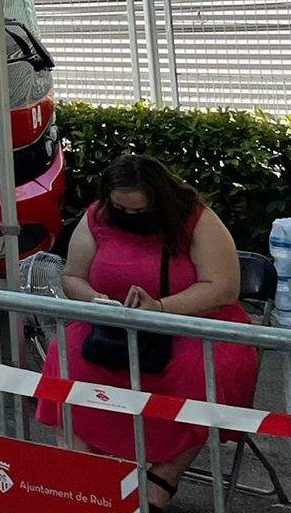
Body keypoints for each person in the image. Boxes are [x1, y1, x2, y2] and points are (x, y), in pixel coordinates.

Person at [39, 155, 260, 509]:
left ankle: (162, 480)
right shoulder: (97, 216)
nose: (130, 216)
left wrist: (160, 307)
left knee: (203, 371)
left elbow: (223, 287)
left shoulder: (197, 219)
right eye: (121, 209)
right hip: (115, 325)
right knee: (64, 354)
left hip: (192, 325)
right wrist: (96, 300)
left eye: (140, 211)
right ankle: (84, 471)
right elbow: (72, 277)